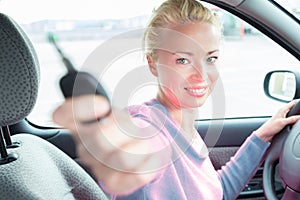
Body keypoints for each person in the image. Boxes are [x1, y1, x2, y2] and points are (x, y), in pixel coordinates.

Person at [52, 0, 300, 199]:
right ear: (152, 64)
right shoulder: (148, 126)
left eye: (211, 58)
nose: (201, 74)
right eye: (183, 60)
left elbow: (216, 192)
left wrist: (261, 136)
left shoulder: (183, 124)